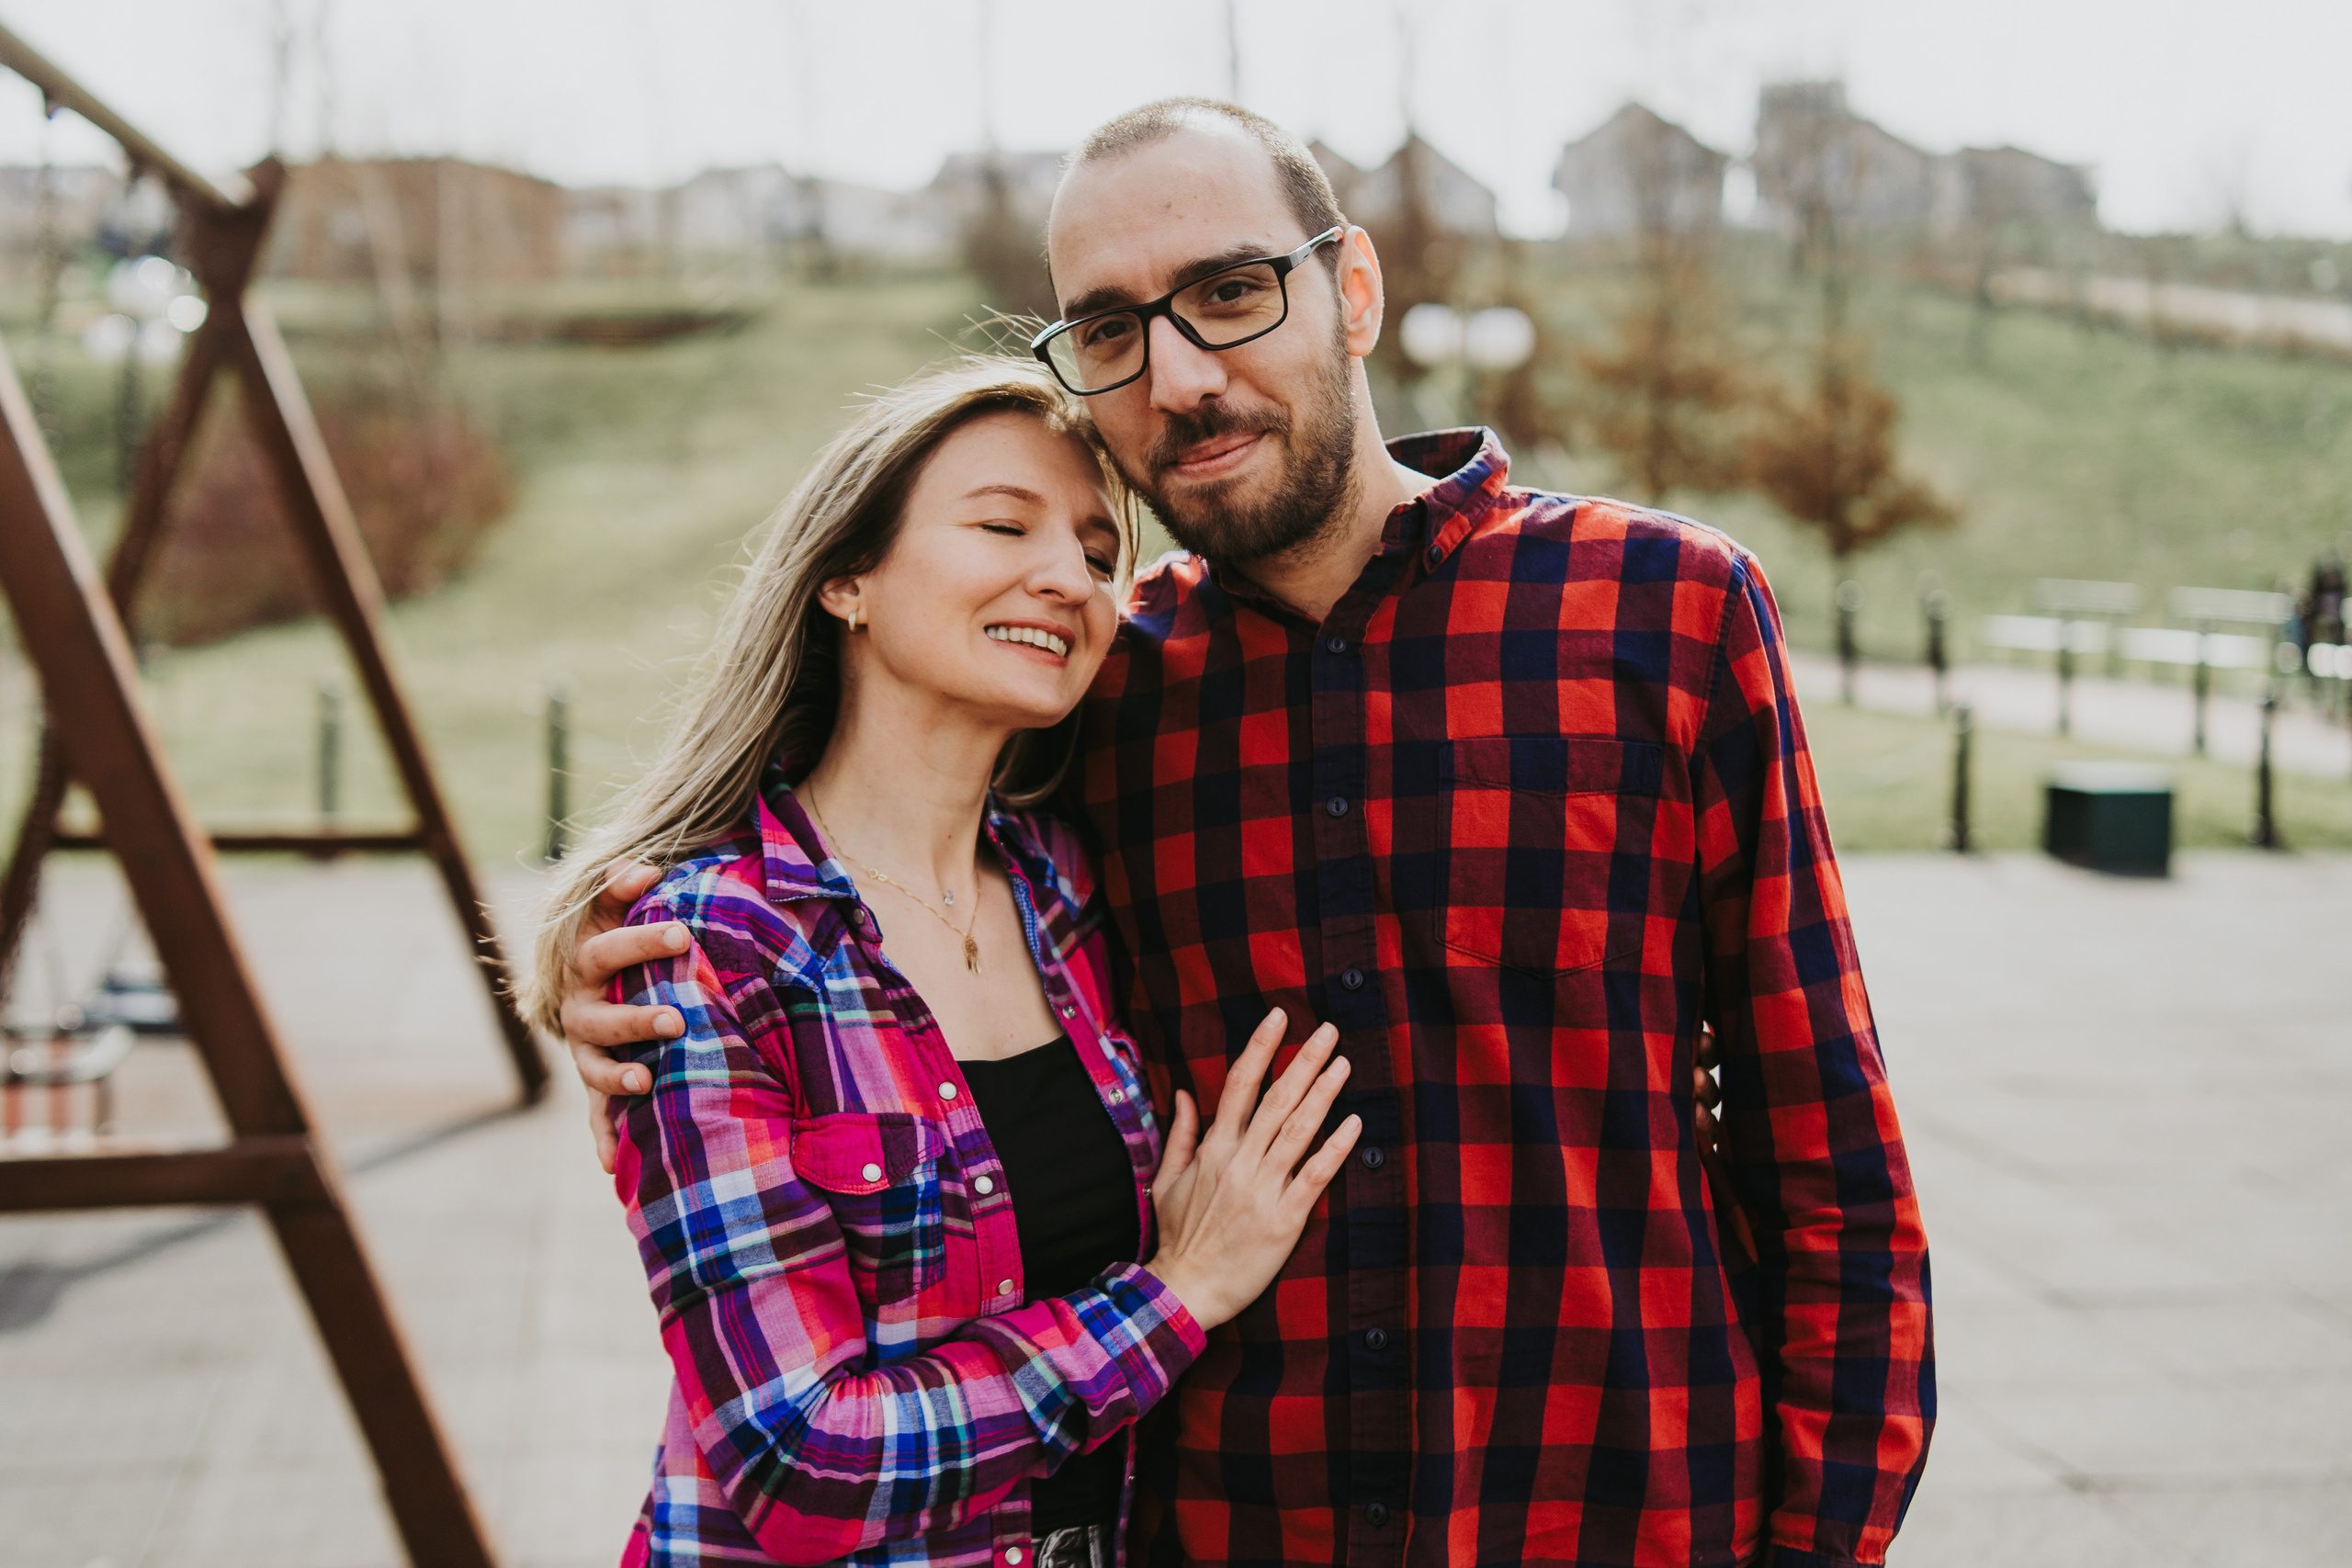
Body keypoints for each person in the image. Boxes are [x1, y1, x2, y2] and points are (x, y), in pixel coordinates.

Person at [559, 100, 1933, 1568]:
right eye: (1110, 328)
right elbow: (860, 827)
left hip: (1622, 1515)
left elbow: (1828, 1159)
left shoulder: (1663, 610)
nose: (1180, 376)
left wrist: (1820, 1542)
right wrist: (607, 971)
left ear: (1351, 294)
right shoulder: (1096, 689)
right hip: (1231, 1529)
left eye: (1229, 292)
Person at [525, 360, 1364, 1567]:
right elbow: (798, 1461)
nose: (1067, 579)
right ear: (845, 579)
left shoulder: (1068, 893)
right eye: (1001, 524)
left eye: (1092, 549)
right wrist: (1175, 1297)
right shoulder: (711, 948)